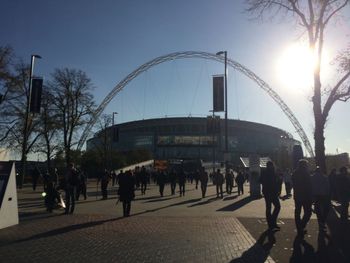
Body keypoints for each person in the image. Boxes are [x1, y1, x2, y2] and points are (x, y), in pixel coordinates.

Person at [292, 159, 313, 237]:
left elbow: (294, 184)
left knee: (297, 212)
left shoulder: (294, 173)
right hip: (306, 196)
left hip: (297, 195)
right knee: (308, 212)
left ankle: (299, 228)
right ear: (304, 165)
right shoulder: (306, 173)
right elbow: (309, 186)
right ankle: (301, 226)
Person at [260, 161, 281, 231]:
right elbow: (260, 180)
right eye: (271, 165)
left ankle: (272, 222)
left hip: (271, 192)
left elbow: (277, 181)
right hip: (269, 192)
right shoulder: (267, 172)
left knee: (275, 207)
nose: (272, 166)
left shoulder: (272, 172)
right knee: (272, 207)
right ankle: (272, 223)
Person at [311, 167, 331, 231]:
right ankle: (322, 221)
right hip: (323, 194)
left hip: (315, 195)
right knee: (326, 208)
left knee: (318, 209)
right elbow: (328, 187)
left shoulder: (311, 177)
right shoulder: (325, 177)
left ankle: (320, 221)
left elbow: (310, 186)